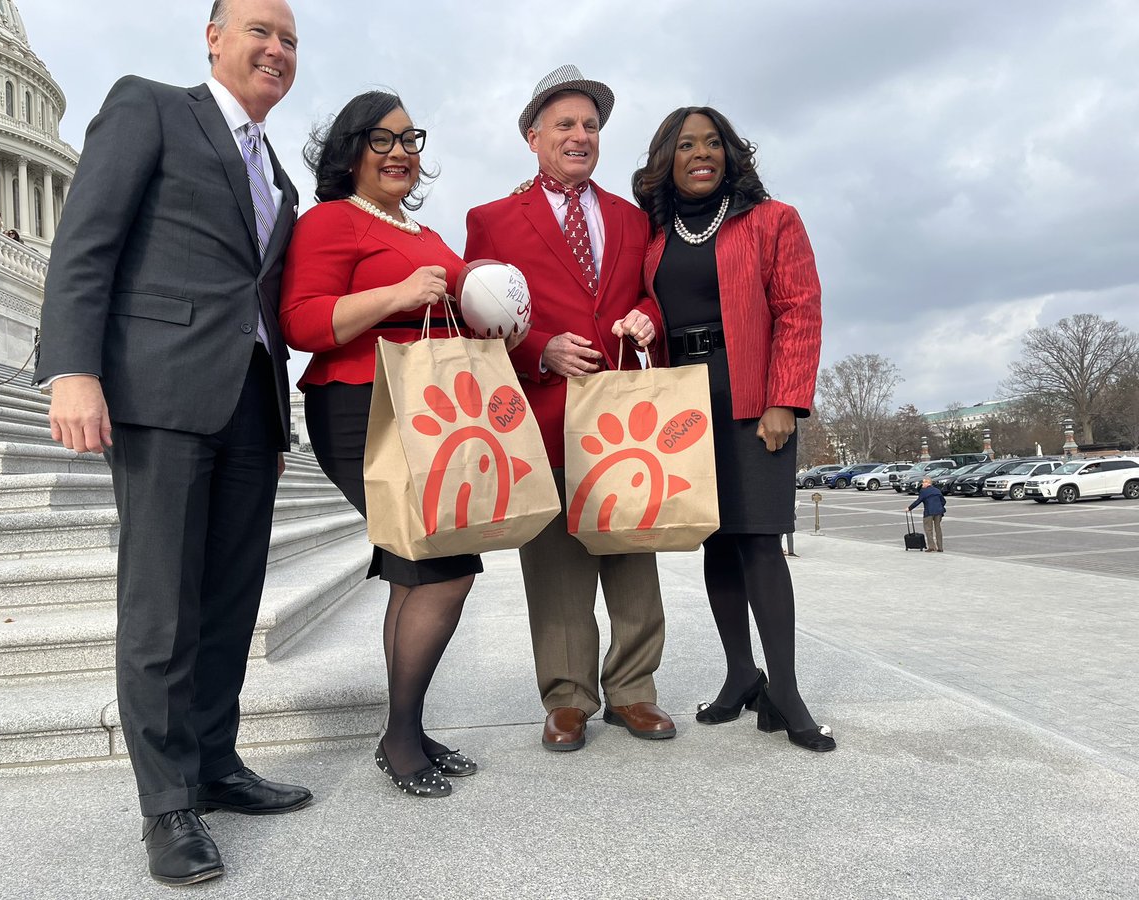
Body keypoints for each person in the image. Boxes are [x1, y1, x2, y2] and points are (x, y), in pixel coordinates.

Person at [35, 0, 310, 885]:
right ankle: (167, 806)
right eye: (261, 31)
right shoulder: (150, 105)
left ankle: (217, 765)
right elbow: (85, 242)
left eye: (291, 41)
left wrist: (274, 414)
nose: (276, 49)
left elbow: (261, 303)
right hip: (159, 393)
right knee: (161, 607)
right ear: (214, 37)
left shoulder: (280, 176)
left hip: (249, 408)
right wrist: (72, 369)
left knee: (231, 600)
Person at [465, 65, 674, 753]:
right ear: (533, 137)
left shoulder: (632, 218)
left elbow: (654, 295)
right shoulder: (490, 220)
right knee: (555, 570)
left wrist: (646, 317)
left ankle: (635, 692)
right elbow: (474, 322)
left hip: (624, 421)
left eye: (590, 126)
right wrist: (538, 350)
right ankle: (567, 699)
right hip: (544, 418)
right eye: (565, 125)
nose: (580, 136)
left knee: (632, 558)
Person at [279, 91, 482, 799]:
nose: (400, 152)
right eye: (381, 139)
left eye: (409, 139)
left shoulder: (424, 235)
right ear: (349, 151)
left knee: (414, 568)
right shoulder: (329, 222)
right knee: (444, 567)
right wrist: (397, 296)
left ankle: (406, 728)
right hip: (364, 405)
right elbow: (302, 321)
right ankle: (400, 737)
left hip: (431, 406)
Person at [632, 106, 835, 752]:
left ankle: (786, 690)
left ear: (730, 153)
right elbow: (648, 307)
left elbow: (799, 312)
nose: (702, 154)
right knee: (715, 542)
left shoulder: (773, 221)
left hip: (753, 395)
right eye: (686, 144)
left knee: (759, 542)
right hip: (684, 400)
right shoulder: (656, 237)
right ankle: (740, 673)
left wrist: (785, 401)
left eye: (712, 143)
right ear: (667, 158)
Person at [907, 477, 946, 552]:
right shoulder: (937, 490)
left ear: (928, 483)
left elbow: (918, 501)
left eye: (924, 482)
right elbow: (943, 501)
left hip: (929, 512)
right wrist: (939, 507)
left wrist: (909, 508)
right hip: (939, 512)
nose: (922, 483)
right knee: (938, 529)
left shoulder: (923, 491)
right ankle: (940, 547)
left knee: (928, 529)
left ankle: (931, 547)